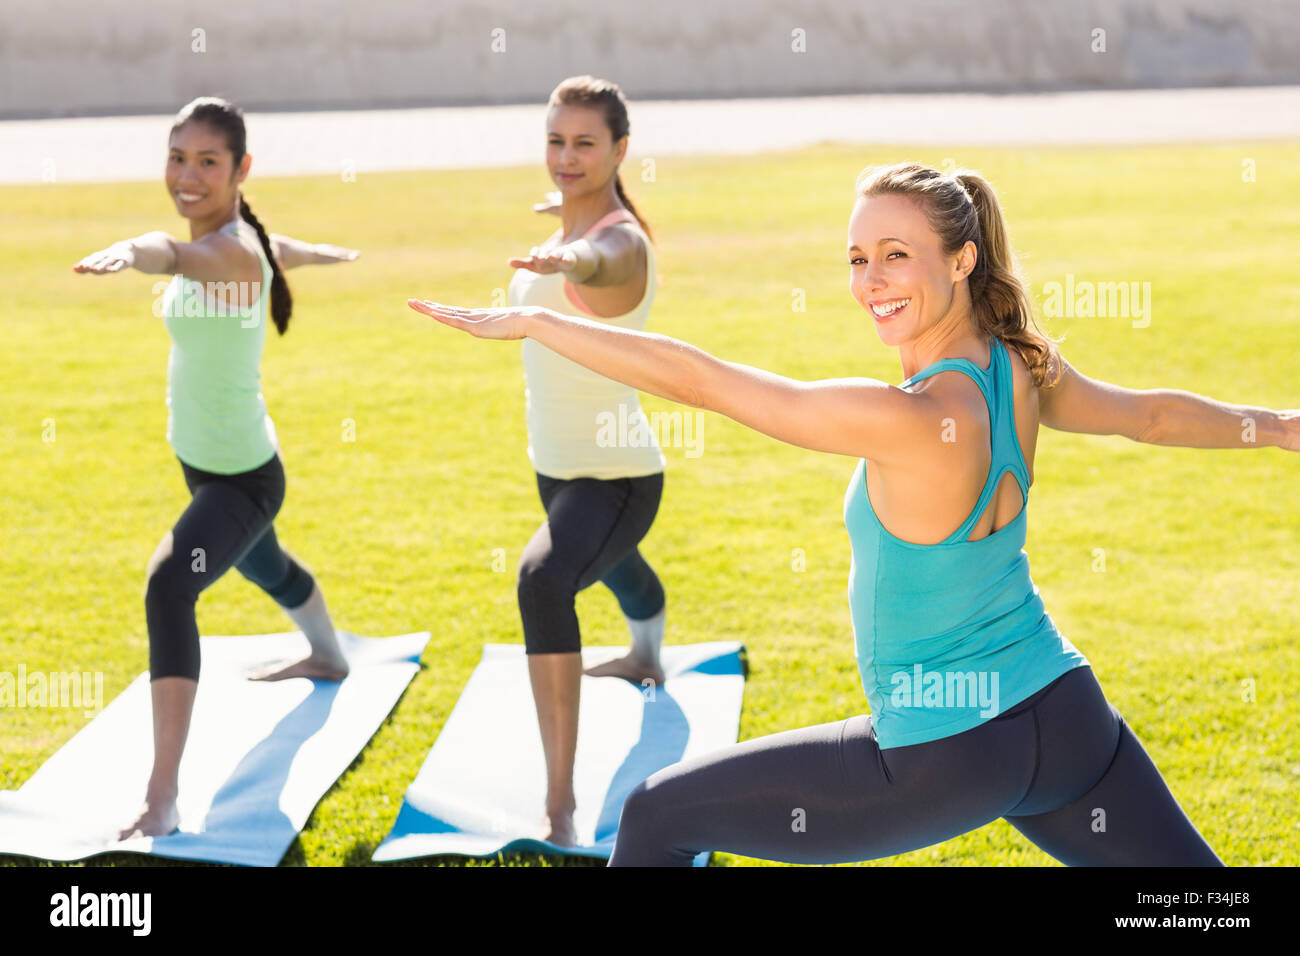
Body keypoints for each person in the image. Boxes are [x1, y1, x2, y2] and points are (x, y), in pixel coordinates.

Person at [408, 160, 1299, 866]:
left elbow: (705, 382)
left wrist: (534, 326)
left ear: (962, 257)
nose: (871, 280)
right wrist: (1285, 427)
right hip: (1065, 720)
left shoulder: (905, 416)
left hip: (940, 756)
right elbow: (1149, 415)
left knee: (654, 816)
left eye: (896, 254)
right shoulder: (1022, 367)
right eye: (857, 258)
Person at [73, 96, 360, 840]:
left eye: (208, 162)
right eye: (178, 158)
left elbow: (172, 253)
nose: (188, 175)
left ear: (240, 170)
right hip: (207, 466)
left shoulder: (225, 254)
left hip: (244, 479)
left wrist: (132, 250)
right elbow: (269, 246)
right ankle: (328, 654)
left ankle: (162, 795)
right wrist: (317, 252)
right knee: (265, 567)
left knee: (171, 586)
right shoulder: (243, 241)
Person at [494, 75, 671, 846]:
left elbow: (599, 255)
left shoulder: (619, 240)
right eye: (556, 141)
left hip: (620, 475)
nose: (566, 157)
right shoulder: (570, 216)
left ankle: (559, 801)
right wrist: (561, 227)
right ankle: (645, 652)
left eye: (585, 143)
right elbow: (575, 226)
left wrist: (566, 253)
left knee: (544, 579)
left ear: (620, 150)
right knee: (615, 569)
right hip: (556, 465)